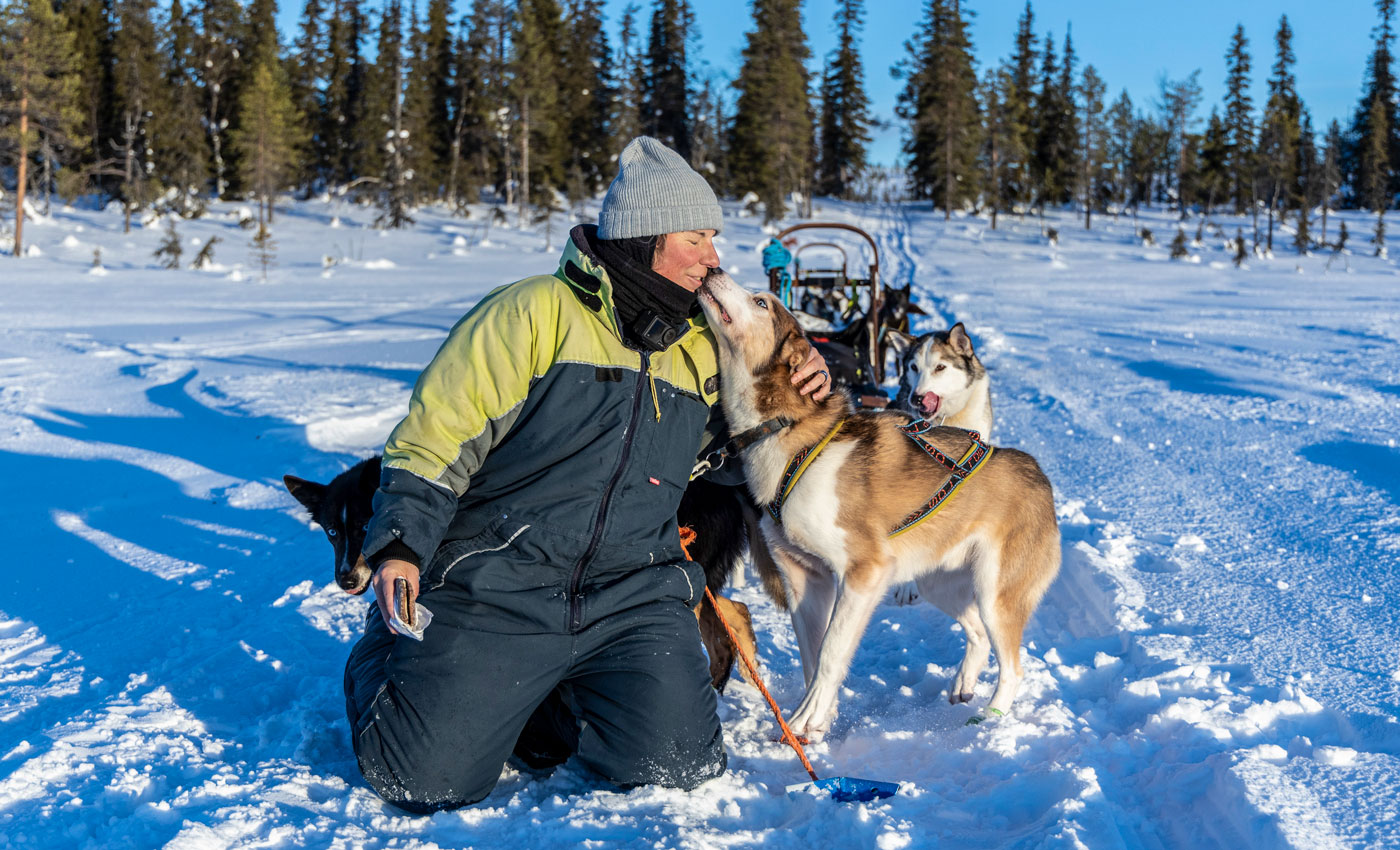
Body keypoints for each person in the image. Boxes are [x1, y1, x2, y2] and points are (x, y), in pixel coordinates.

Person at [344, 137, 832, 813]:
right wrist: (399, 546)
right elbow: (431, 443)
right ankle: (388, 663)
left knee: (679, 768)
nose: (714, 259)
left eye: (714, 240)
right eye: (697, 238)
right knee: (423, 781)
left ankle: (560, 689)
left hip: (633, 596)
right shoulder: (531, 315)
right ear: (644, 237)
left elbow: (752, 448)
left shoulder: (699, 344)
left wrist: (798, 385)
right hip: (499, 585)